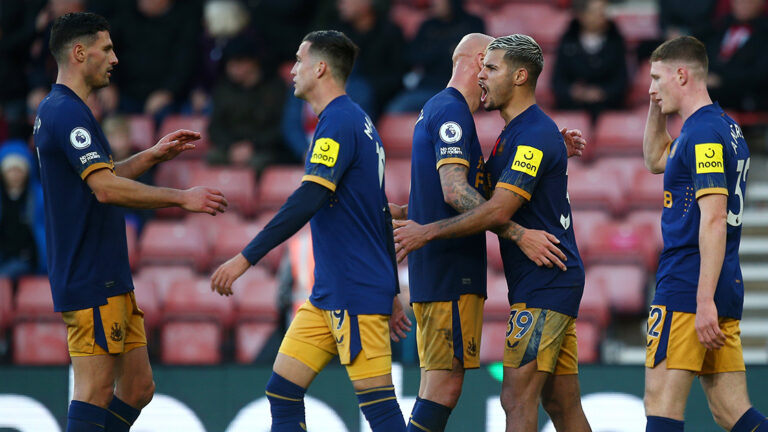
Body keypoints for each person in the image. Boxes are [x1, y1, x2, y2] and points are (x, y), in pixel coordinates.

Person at [34, 12, 228, 432]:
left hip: (109, 274)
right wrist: (182, 198)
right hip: (88, 276)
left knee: (138, 388)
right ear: (79, 52)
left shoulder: (73, 111)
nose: (114, 58)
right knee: (94, 392)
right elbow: (105, 189)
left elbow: (102, 178)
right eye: (106, 49)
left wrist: (152, 156)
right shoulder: (65, 113)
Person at [210, 30, 410, 432]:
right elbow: (378, 213)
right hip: (328, 295)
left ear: (320, 67)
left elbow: (306, 200)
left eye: (299, 60)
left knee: (381, 411)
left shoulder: (338, 122)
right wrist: (390, 290)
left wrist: (244, 258)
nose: (292, 70)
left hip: (353, 292)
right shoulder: (358, 121)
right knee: (282, 390)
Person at [392, 34, 591, 432]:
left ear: (519, 76)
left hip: (545, 282)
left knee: (515, 396)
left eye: (492, 68)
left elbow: (496, 208)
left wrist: (427, 233)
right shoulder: (514, 137)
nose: (482, 77)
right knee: (561, 405)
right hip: (543, 282)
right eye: (483, 66)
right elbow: (473, 196)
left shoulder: (531, 134)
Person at [642, 35, 768, 432]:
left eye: (657, 79)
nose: (650, 88)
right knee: (732, 412)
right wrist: (655, 105)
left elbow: (712, 218)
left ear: (682, 74)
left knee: (661, 404)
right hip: (722, 282)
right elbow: (654, 159)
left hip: (689, 285)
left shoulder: (702, 135)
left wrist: (703, 300)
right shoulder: (721, 127)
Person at [551, 0, 628, 119]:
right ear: (581, 15)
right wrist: (573, 92)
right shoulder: (567, 41)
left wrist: (602, 93)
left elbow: (622, 81)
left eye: (604, 11)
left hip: (608, 108)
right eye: (596, 11)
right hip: (572, 109)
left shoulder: (616, 40)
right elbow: (557, 81)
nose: (602, 15)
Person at [0, 142, 46, 278]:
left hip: (29, 258)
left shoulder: (39, 196)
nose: (14, 175)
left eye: (18, 169)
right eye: (9, 170)